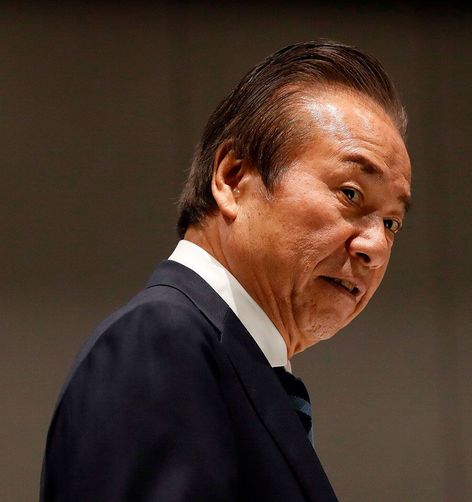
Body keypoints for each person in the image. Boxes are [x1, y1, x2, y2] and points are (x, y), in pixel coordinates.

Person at [40, 39, 412, 501]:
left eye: (392, 222)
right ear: (233, 177)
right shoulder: (160, 342)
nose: (376, 246)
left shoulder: (237, 366)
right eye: (350, 194)